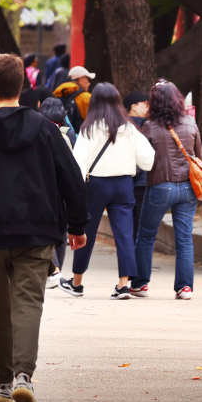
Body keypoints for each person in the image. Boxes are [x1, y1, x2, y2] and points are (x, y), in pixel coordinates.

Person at [0, 54, 88, 402]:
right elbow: (70, 178)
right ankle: (24, 378)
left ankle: (2, 381)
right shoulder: (46, 128)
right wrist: (76, 226)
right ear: (22, 87)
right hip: (38, 230)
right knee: (29, 303)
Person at [62, 84, 155, 300]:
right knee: (124, 233)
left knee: (87, 232)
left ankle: (77, 283)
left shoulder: (88, 128)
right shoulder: (129, 127)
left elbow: (79, 164)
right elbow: (148, 159)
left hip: (96, 185)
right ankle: (123, 285)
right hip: (124, 185)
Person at [132, 80, 202, 300]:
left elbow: (142, 159)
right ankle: (184, 288)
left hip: (160, 186)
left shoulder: (149, 126)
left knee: (145, 237)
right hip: (189, 188)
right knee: (184, 239)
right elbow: (199, 156)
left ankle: (140, 283)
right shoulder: (191, 123)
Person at [37, 97, 76, 287]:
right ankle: (57, 269)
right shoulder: (68, 133)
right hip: (60, 188)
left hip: (43, 187)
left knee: (46, 228)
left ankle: (54, 269)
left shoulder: (36, 132)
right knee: (61, 229)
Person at [123, 90, 151, 240]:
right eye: (145, 104)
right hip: (142, 181)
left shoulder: (120, 124)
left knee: (128, 222)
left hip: (125, 180)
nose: (148, 107)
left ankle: (130, 254)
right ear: (134, 106)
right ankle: (135, 257)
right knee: (140, 222)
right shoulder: (148, 125)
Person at [52, 65, 94, 132]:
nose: (89, 83)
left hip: (62, 134)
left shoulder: (59, 94)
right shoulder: (87, 97)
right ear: (80, 79)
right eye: (87, 79)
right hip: (80, 135)